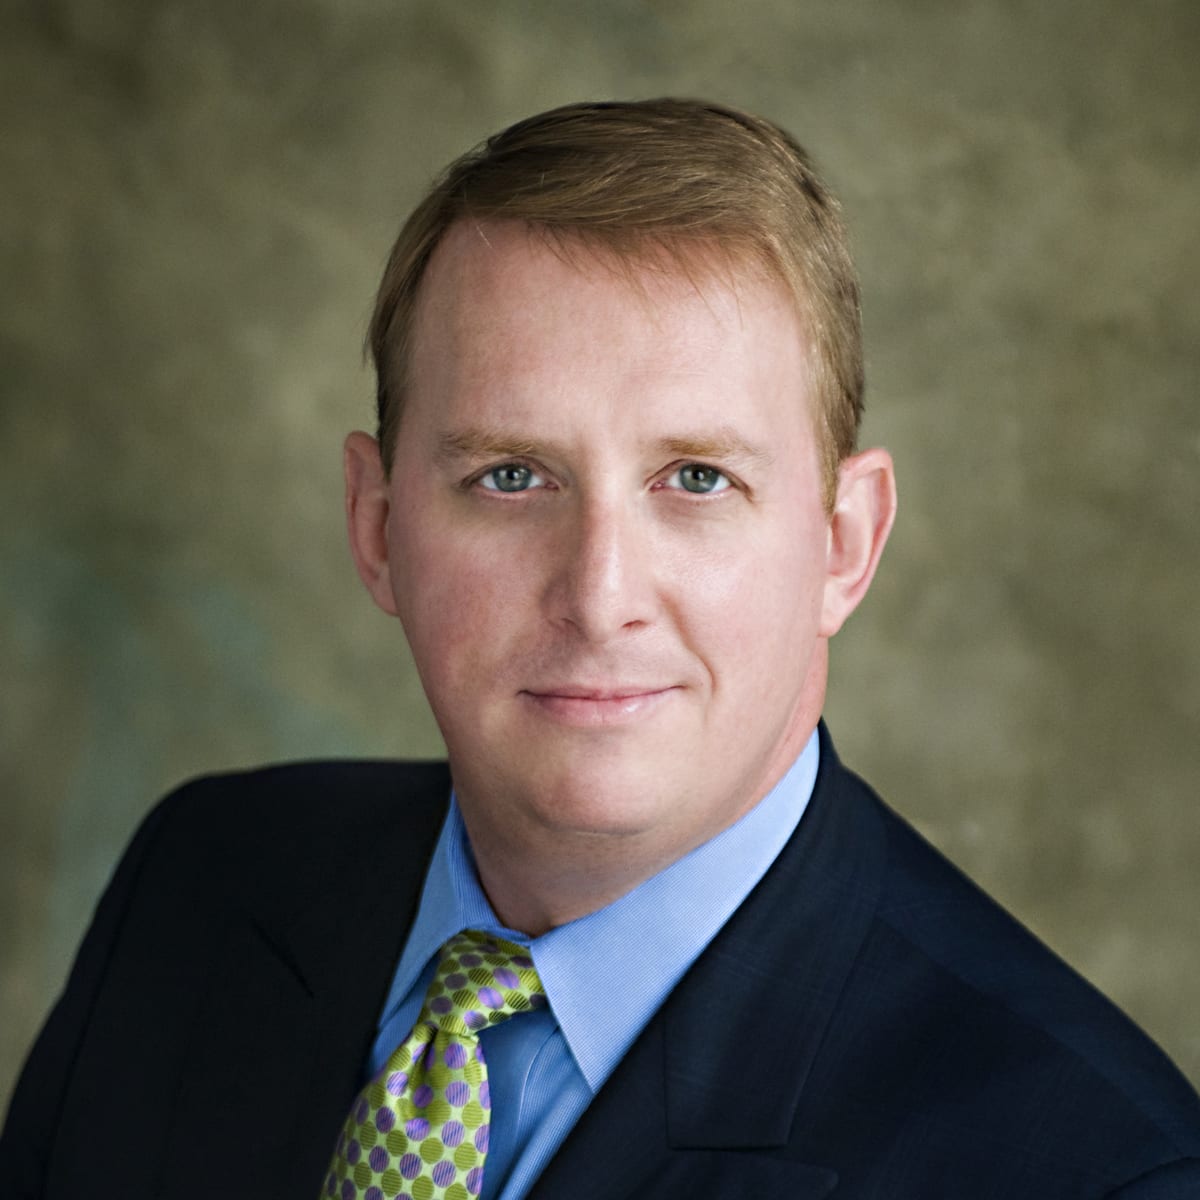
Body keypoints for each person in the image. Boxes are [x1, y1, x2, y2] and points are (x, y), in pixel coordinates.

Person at [2, 98, 1198, 1200]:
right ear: (376, 526)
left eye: (697, 478)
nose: (598, 595)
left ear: (843, 544)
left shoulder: (1097, 1172)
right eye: (510, 476)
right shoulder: (204, 880)